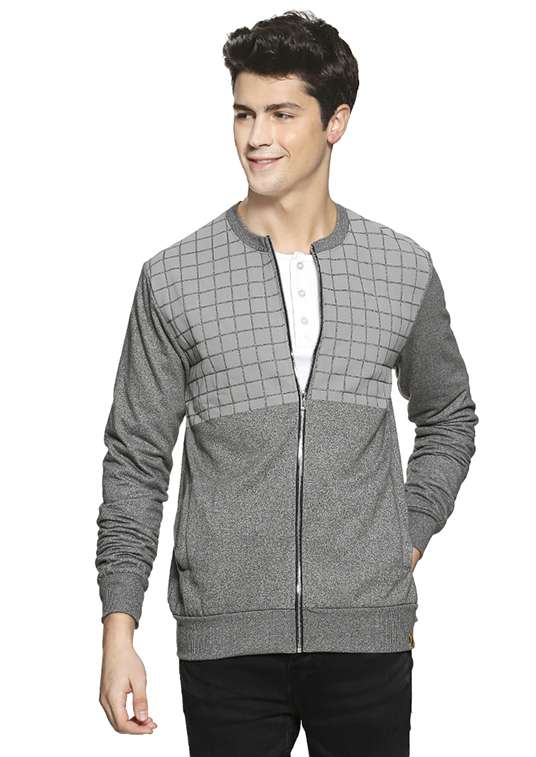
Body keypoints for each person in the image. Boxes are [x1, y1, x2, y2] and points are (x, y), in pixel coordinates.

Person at [95, 10, 478, 756]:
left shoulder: (402, 268)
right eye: (243, 113)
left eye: (281, 113)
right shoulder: (174, 278)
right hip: (226, 644)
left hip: (366, 637)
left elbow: (449, 415)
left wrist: (406, 534)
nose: (255, 137)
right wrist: (119, 627)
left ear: (336, 122)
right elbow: (136, 457)